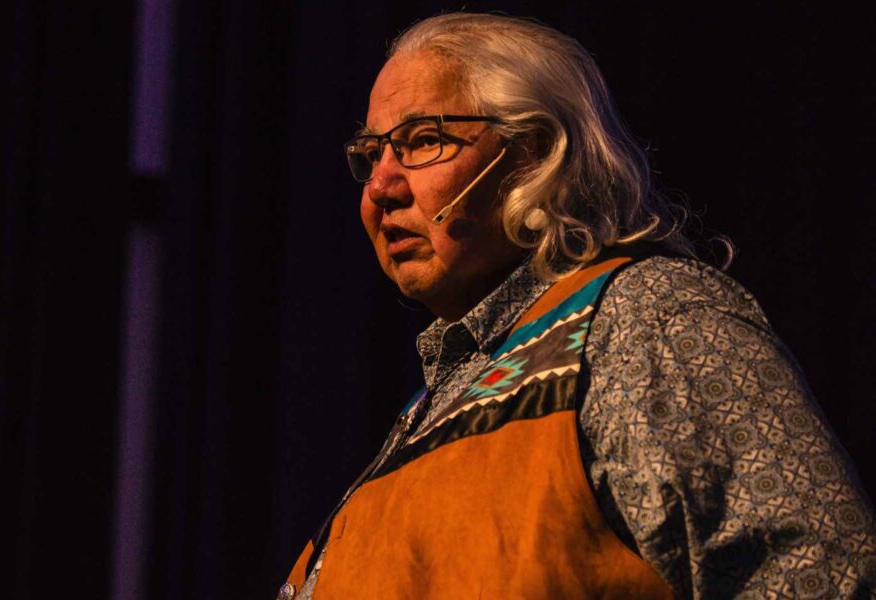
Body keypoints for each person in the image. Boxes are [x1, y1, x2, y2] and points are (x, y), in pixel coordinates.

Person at [278, 12, 876, 600]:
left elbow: (820, 575)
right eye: (370, 154)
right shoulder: (432, 403)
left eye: (423, 140)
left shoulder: (646, 317)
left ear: (533, 155)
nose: (380, 186)